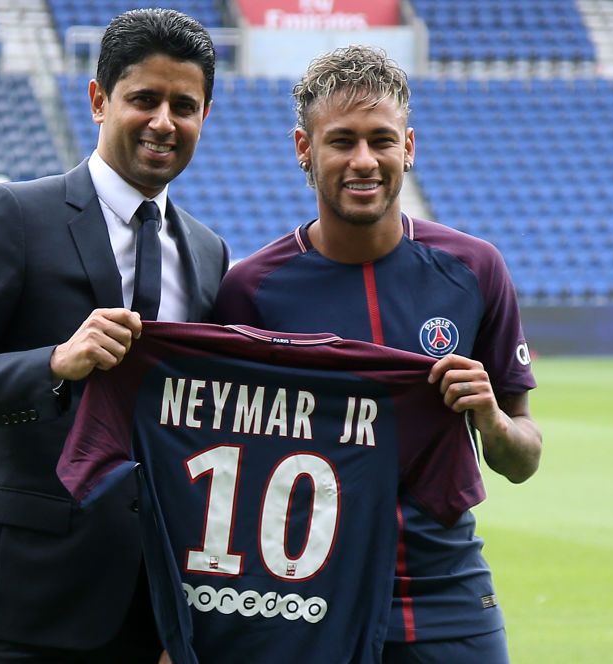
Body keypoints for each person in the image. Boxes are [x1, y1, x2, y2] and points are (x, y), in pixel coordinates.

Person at [0, 8, 228, 663]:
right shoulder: (13, 215)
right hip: (27, 601)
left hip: (156, 608)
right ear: (99, 100)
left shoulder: (208, 252)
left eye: (183, 105)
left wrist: (189, 608)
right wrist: (55, 362)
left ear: (205, 117)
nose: (165, 121)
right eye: (144, 99)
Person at [211, 45, 542, 663]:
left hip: (447, 597)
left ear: (408, 147)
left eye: (381, 140)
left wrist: (491, 419)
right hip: (303, 602)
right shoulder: (249, 290)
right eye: (342, 141)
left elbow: (523, 457)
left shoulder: (474, 269)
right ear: (304, 150)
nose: (364, 160)